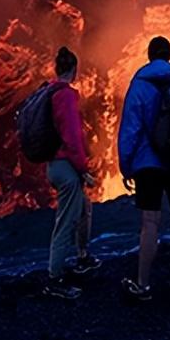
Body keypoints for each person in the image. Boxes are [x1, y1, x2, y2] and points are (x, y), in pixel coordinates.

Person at [117, 36, 170, 301]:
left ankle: (143, 285)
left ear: (149, 56)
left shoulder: (140, 86)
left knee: (150, 223)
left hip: (148, 165)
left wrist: (126, 165)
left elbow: (130, 129)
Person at [43, 46, 101, 299]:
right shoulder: (65, 96)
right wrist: (83, 169)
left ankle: (82, 257)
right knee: (66, 222)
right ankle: (54, 279)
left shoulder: (48, 91)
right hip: (65, 167)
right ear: (74, 70)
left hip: (55, 165)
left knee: (84, 208)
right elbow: (73, 138)